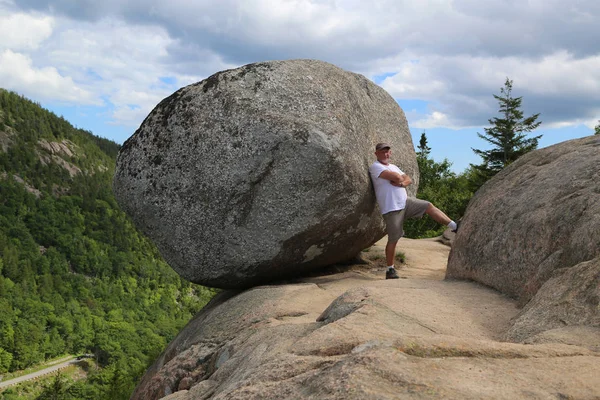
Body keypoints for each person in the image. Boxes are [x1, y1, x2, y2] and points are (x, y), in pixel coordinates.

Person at [369, 142, 458, 279]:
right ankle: (390, 270)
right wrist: (400, 179)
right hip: (392, 207)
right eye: (382, 152)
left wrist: (401, 183)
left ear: (390, 153)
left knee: (428, 205)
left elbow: (407, 179)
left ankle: (454, 226)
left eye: (387, 151)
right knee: (394, 238)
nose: (386, 154)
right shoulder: (375, 167)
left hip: (405, 202)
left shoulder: (393, 167)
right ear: (376, 154)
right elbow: (399, 176)